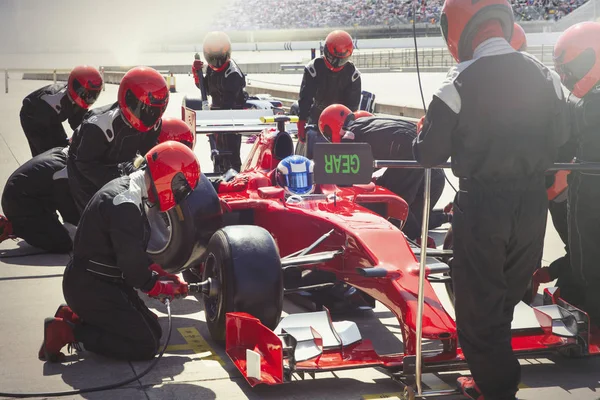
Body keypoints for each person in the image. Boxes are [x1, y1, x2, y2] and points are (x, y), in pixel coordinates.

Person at [412, 0, 570, 398]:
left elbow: (427, 154)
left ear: (458, 27)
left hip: (483, 206)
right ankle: (493, 376)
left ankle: (495, 386)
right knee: (507, 293)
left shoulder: (458, 81)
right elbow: (565, 136)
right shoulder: (545, 75)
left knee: (477, 306)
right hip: (533, 204)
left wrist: (428, 129)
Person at [39, 142, 197, 362]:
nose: (179, 194)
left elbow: (126, 250)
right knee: (144, 345)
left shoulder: (133, 188)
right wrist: (157, 286)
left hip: (99, 282)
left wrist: (159, 272)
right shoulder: (126, 204)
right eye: (180, 186)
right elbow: (133, 270)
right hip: (91, 286)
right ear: (165, 176)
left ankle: (74, 315)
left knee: (154, 330)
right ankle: (67, 332)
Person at [0, 116, 196, 254]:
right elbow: (76, 206)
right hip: (21, 200)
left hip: (40, 194)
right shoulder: (78, 166)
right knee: (72, 240)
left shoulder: (126, 148)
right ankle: (12, 226)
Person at [318, 104, 449, 241]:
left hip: (410, 155)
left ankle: (417, 239)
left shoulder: (350, 135)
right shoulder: (368, 124)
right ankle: (447, 216)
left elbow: (343, 185)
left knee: (392, 207)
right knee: (413, 217)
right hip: (431, 169)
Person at [67, 66, 168, 214]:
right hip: (84, 168)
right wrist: (118, 180)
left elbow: (150, 151)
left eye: (155, 110)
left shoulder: (154, 124)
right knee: (94, 216)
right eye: (143, 108)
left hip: (119, 163)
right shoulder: (99, 124)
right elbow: (85, 164)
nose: (149, 114)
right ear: (126, 98)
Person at [552, 21, 600, 326]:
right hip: (586, 180)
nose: (565, 76)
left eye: (569, 68)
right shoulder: (580, 99)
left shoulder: (581, 102)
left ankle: (592, 313)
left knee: (587, 256)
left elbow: (561, 145)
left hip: (589, 184)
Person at [296, 30, 362, 158]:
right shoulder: (313, 68)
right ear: (326, 51)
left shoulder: (353, 75)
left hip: (340, 120)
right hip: (316, 117)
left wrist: (348, 128)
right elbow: (305, 98)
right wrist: (301, 121)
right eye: (333, 59)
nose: (336, 64)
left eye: (341, 61)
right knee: (310, 152)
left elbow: (352, 108)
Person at [0, 147, 78, 253]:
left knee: (60, 230)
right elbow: (71, 213)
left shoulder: (65, 154)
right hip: (20, 205)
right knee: (63, 243)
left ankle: (30, 226)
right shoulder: (62, 173)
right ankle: (11, 227)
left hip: (30, 198)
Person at [20, 66, 103, 157]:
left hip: (52, 115)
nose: (89, 98)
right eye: (85, 94)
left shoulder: (78, 98)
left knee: (63, 148)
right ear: (75, 86)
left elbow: (78, 123)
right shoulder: (52, 100)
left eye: (93, 95)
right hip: (33, 115)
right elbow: (50, 133)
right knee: (47, 155)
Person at [202, 31, 247, 172]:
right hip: (217, 115)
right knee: (218, 155)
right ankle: (219, 175)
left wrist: (212, 121)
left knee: (231, 154)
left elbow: (228, 103)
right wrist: (198, 77)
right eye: (213, 59)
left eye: (219, 58)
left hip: (232, 117)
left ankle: (234, 177)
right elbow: (208, 90)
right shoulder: (210, 69)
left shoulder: (233, 74)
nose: (216, 62)